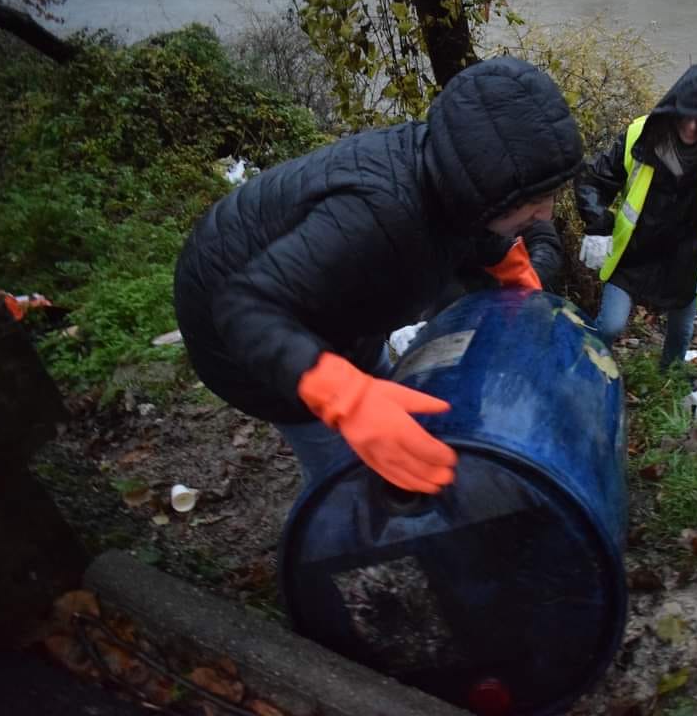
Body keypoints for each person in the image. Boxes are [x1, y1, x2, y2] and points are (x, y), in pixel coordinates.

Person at [173, 57, 583, 496]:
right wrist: (347, 399)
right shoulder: (377, 215)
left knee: (389, 401)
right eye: (538, 201)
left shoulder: (455, 177)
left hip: (333, 309)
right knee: (343, 467)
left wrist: (515, 275)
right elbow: (245, 309)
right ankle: (325, 542)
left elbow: (476, 227)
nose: (546, 214)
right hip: (240, 328)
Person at [575, 63, 697, 367]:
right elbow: (593, 180)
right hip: (634, 255)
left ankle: (668, 383)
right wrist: (598, 225)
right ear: (673, 111)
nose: (692, 128)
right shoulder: (640, 136)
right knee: (610, 326)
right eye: (686, 117)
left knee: (679, 336)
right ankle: (585, 369)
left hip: (688, 263)